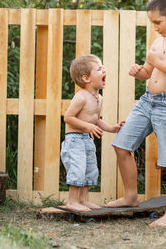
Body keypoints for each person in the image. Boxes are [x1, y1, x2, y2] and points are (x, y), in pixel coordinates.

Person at [106, 0, 166, 227]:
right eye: (152, 23)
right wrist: (140, 72)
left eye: (157, 22)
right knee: (121, 145)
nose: (155, 28)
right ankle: (130, 196)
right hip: (147, 101)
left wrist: (157, 62)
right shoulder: (158, 42)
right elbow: (149, 72)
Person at [61, 54, 125, 212]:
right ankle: (72, 201)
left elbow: (95, 119)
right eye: (99, 69)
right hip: (74, 140)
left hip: (86, 140)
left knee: (90, 169)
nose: (104, 70)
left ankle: (83, 200)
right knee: (77, 168)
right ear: (86, 78)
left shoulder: (99, 98)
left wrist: (111, 128)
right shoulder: (81, 97)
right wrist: (87, 127)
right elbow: (68, 118)